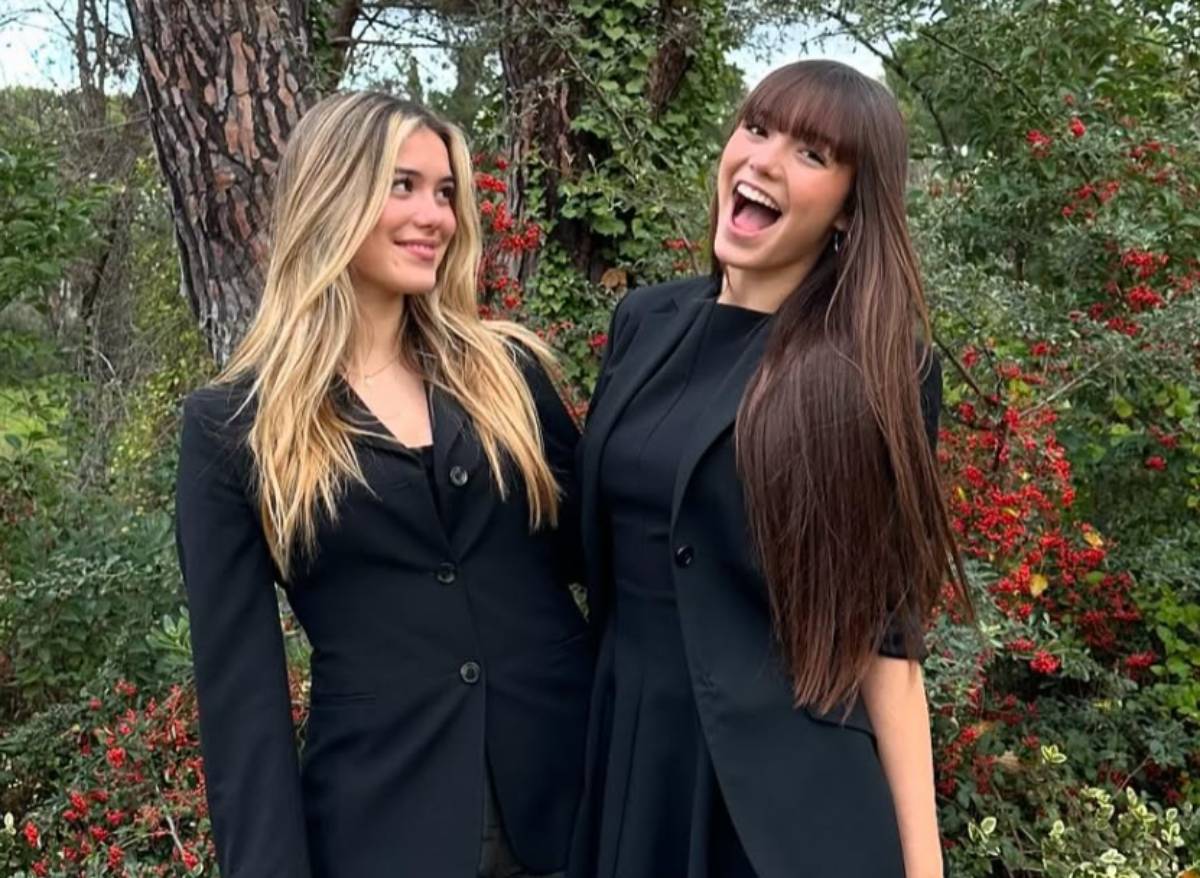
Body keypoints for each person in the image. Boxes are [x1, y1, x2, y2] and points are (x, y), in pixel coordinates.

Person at [569, 60, 970, 878]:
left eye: (812, 154)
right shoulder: (643, 322)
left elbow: (885, 639)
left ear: (851, 210)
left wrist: (924, 867)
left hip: (782, 806)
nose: (763, 161)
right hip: (625, 765)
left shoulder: (879, 373)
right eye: (756, 128)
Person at [175, 92, 591, 878]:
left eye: (444, 193)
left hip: (579, 807)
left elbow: (611, 562)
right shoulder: (235, 427)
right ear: (332, 193)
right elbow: (242, 704)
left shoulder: (508, 375)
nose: (435, 215)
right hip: (383, 828)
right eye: (403, 185)